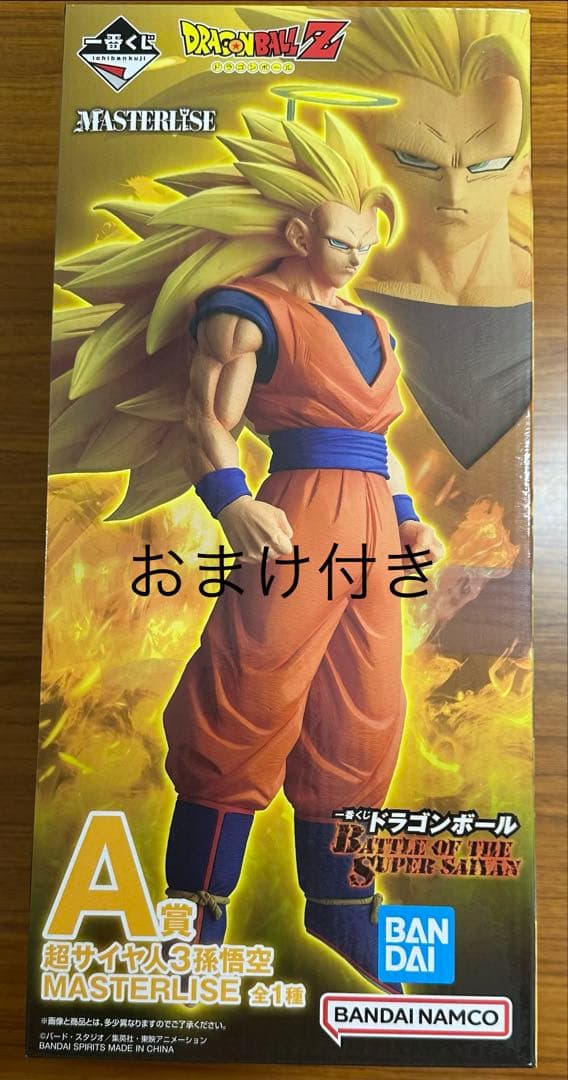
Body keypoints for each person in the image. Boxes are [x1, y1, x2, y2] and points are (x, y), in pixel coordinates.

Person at [51, 111, 442, 991]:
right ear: (299, 235)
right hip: (294, 515)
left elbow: (378, 441)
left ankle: (342, 905)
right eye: (340, 243)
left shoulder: (374, 327)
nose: (354, 258)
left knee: (365, 709)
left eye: (364, 245)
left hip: (372, 526)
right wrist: (232, 504)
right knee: (246, 694)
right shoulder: (247, 311)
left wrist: (408, 516)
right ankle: (196, 910)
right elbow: (207, 421)